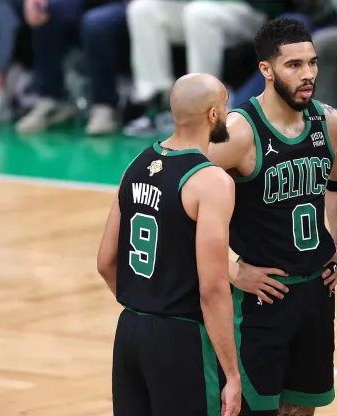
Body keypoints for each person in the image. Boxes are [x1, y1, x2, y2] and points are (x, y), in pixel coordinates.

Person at [207, 17, 337, 415]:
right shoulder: (238, 132)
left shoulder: (333, 123)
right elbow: (177, 199)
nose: (308, 74)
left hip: (316, 295)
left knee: (302, 410)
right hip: (261, 298)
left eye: (312, 63)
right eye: (294, 65)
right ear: (267, 70)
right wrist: (230, 270)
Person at [96, 73, 241, 416]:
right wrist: (232, 375)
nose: (227, 113)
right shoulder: (211, 181)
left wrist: (146, 306)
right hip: (182, 340)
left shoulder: (136, 164)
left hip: (130, 330)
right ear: (212, 115)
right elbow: (213, 289)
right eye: (225, 106)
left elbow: (105, 261)